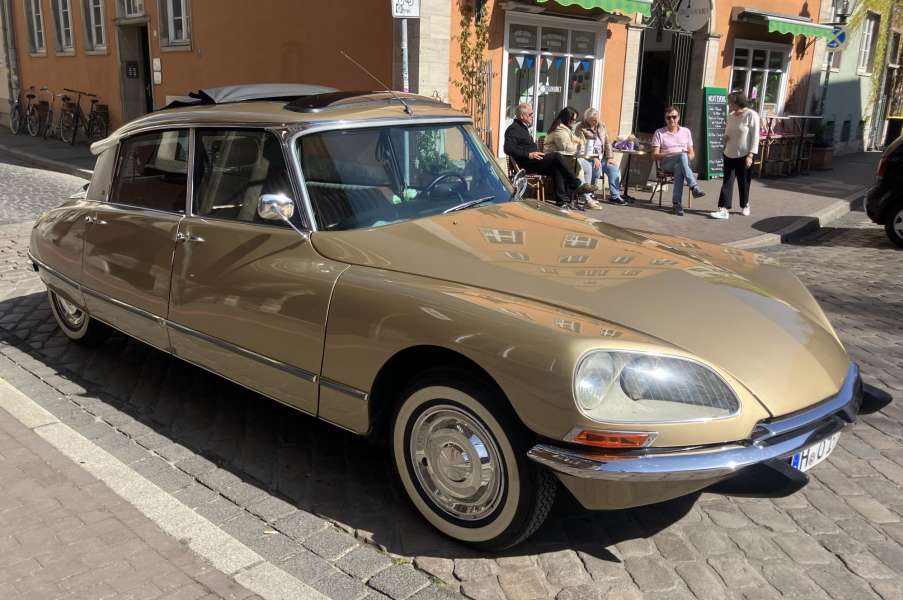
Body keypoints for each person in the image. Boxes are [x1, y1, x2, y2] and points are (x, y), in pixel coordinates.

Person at [504, 103, 594, 208]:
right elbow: (508, 148)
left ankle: (562, 202)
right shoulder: (513, 129)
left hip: (534, 161)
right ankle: (575, 183)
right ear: (522, 116)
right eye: (530, 114)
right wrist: (529, 154)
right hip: (526, 164)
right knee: (556, 156)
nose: (533, 116)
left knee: (557, 167)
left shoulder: (523, 127)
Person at [711, 91, 760, 220]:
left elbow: (755, 137)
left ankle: (745, 204)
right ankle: (723, 209)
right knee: (727, 181)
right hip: (729, 153)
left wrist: (750, 155)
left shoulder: (751, 115)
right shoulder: (731, 116)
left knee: (743, 182)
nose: (729, 104)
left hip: (744, 154)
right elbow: (727, 133)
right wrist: (724, 138)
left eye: (730, 102)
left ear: (738, 103)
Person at [542, 107, 602, 209]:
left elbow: (578, 140)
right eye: (573, 119)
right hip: (554, 160)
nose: (574, 122)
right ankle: (584, 194)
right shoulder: (559, 130)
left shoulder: (566, 129)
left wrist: (579, 143)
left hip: (566, 157)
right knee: (581, 164)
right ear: (567, 118)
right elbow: (566, 147)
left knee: (587, 166)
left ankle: (584, 193)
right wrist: (579, 145)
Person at [651, 106, 706, 216]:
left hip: (681, 163)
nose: (672, 119)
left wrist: (684, 159)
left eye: (674, 117)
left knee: (679, 167)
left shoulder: (686, 131)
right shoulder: (659, 133)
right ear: (665, 119)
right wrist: (672, 154)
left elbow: (692, 153)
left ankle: (677, 205)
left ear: (679, 117)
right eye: (668, 117)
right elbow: (654, 155)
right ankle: (694, 187)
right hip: (667, 163)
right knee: (681, 156)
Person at [576, 108, 626, 205]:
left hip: (602, 157)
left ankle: (615, 196)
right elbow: (582, 145)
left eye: (596, 120)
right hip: (588, 157)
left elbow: (607, 142)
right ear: (586, 119)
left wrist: (610, 157)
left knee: (613, 168)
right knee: (596, 168)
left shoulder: (602, 126)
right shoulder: (581, 127)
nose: (595, 122)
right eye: (592, 120)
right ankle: (589, 193)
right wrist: (594, 157)